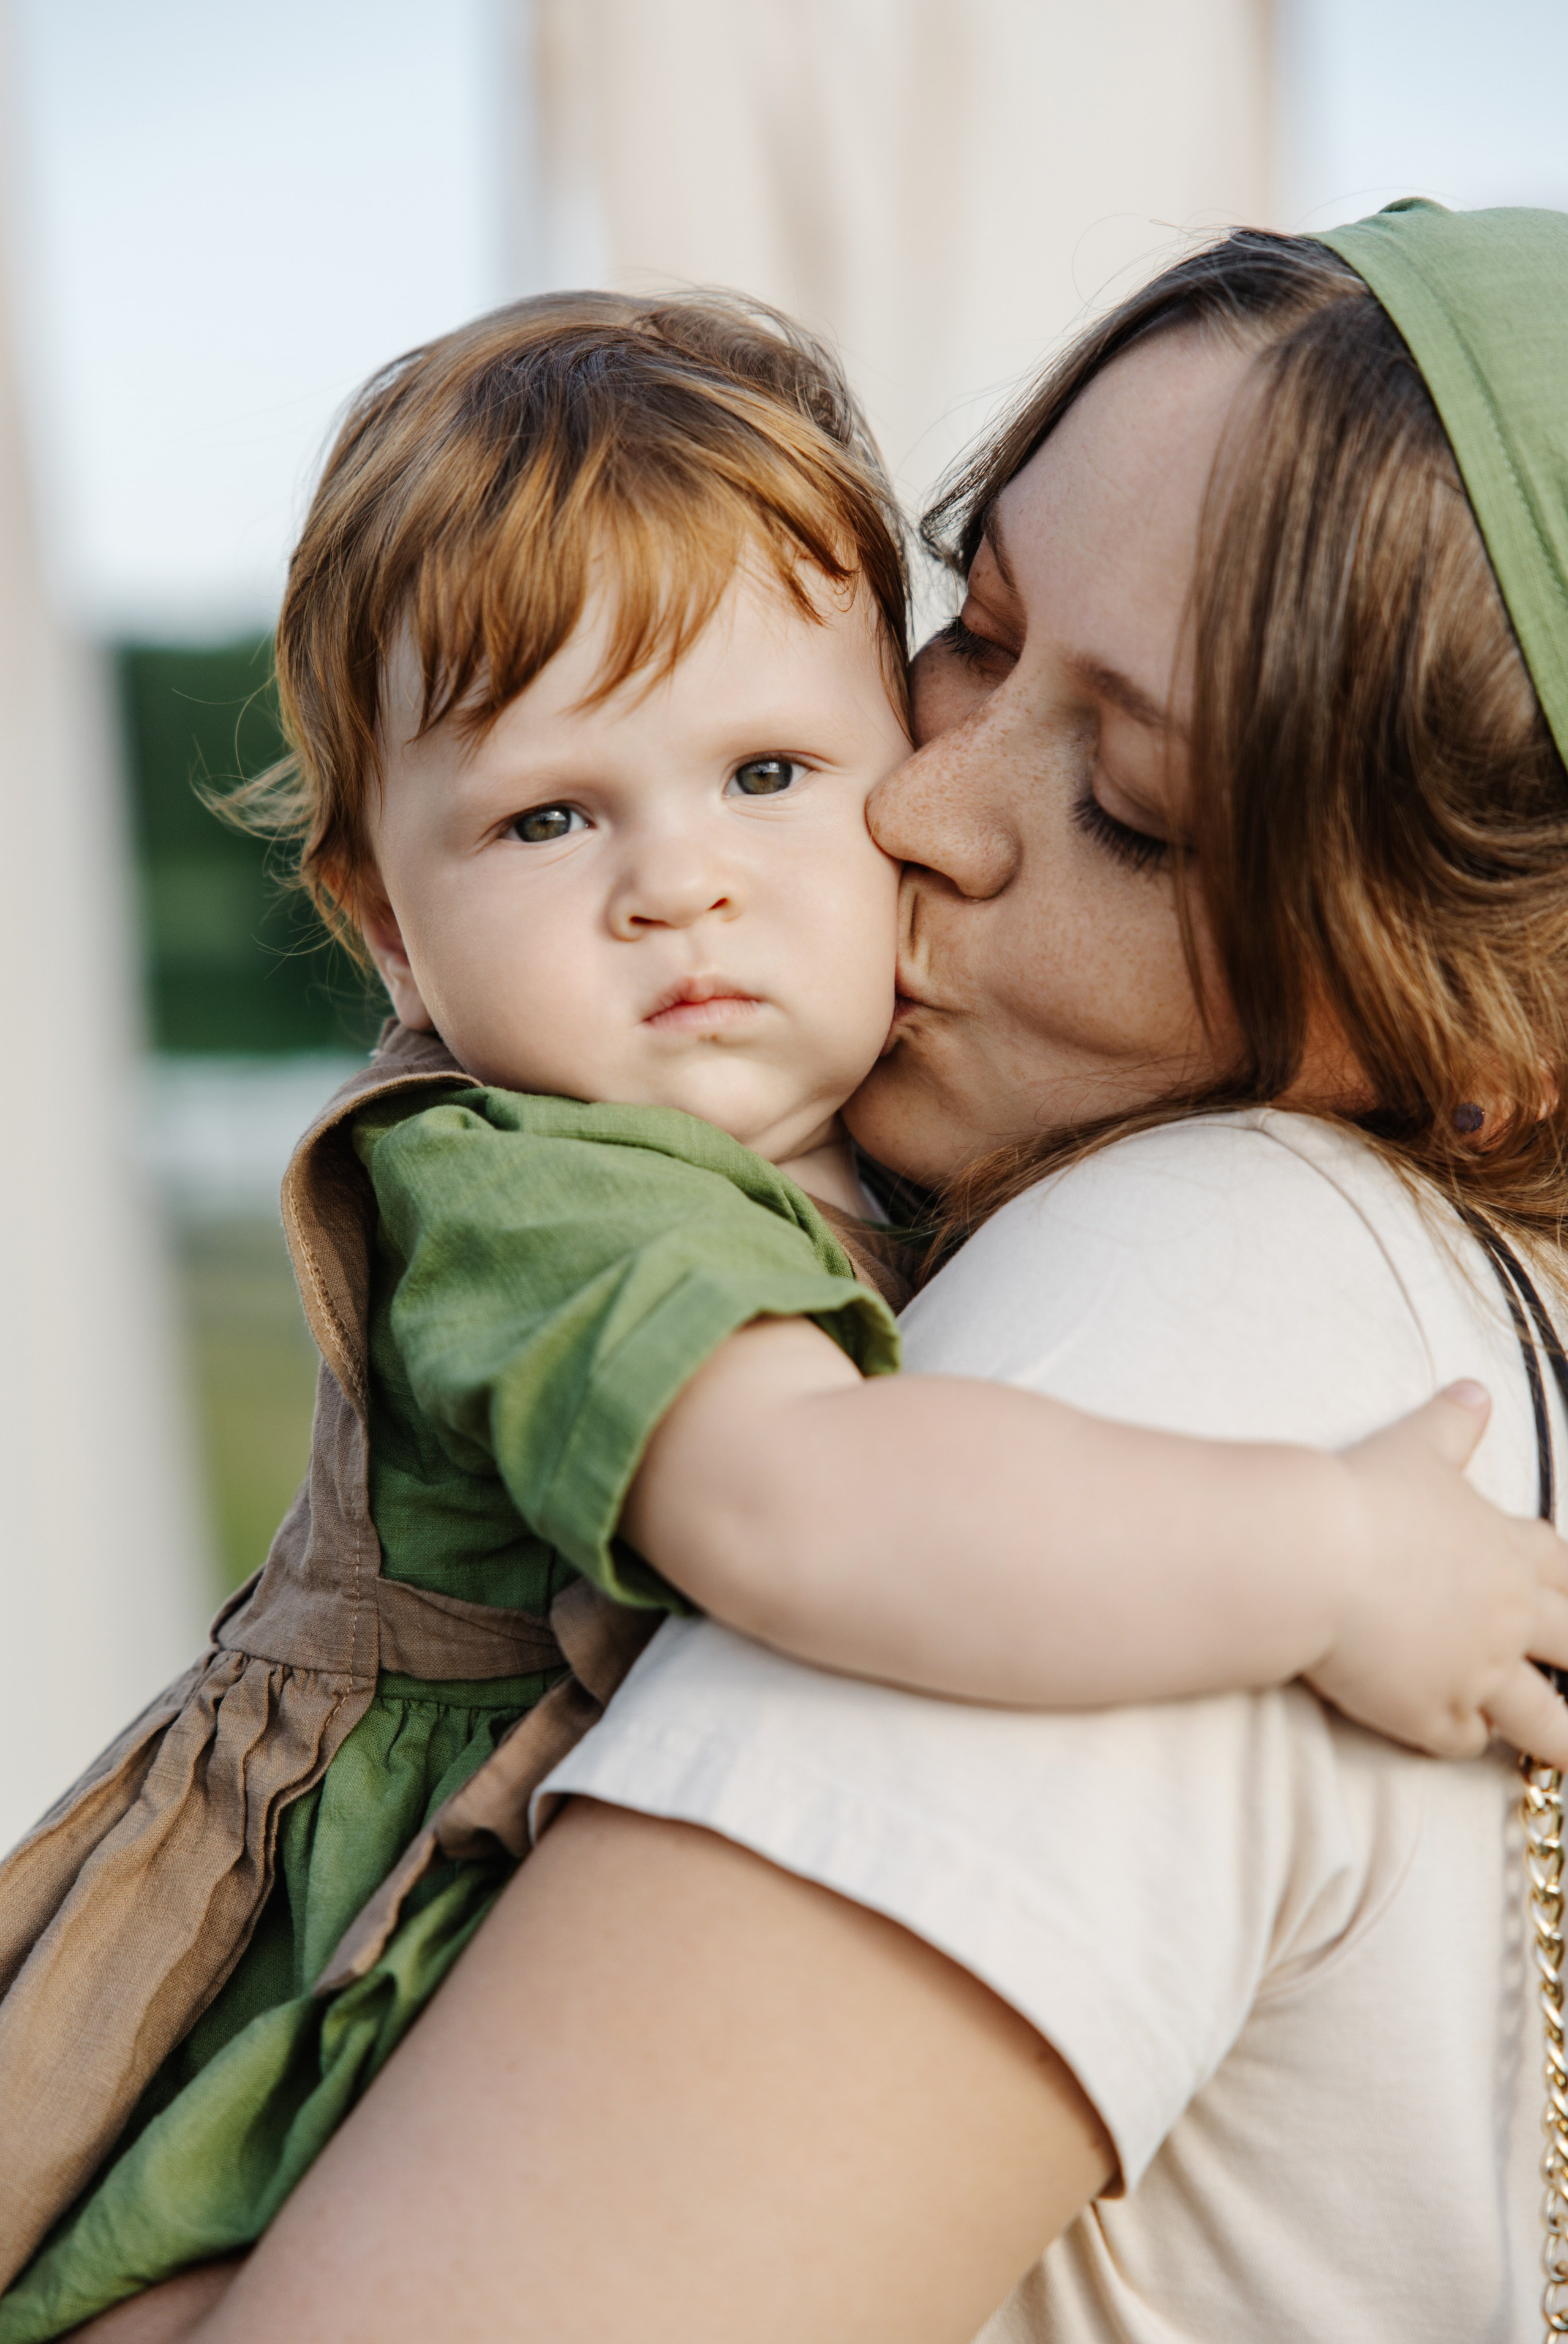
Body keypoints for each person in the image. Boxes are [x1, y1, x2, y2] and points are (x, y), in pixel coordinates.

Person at [3, 281, 1544, 2344]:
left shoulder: (1215, 1264)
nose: (901, 815)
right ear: (381, 914)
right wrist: (1336, 1556)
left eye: (1136, 810)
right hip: (282, 2059)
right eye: (970, 636)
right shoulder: (537, 1174)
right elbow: (819, 1502)